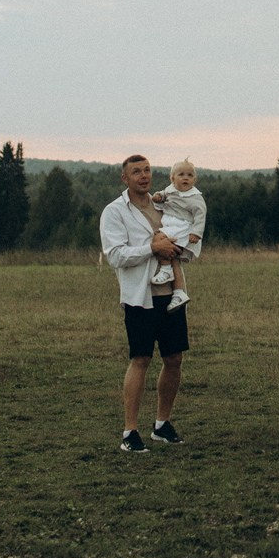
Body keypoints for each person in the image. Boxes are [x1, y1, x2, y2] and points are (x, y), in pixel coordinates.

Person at [99, 154, 190, 452]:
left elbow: (182, 237)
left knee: (174, 359)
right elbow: (115, 255)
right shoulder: (114, 212)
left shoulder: (164, 206)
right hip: (140, 297)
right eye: (136, 172)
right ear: (125, 179)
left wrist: (179, 246)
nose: (143, 175)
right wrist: (152, 248)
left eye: (147, 170)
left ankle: (162, 425)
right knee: (141, 360)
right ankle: (130, 432)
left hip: (171, 295)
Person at [150, 158, 207, 310]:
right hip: (171, 225)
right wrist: (158, 197)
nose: (185, 178)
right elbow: (163, 195)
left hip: (183, 228)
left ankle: (166, 270)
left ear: (194, 179)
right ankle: (179, 292)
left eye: (189, 175)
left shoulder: (195, 198)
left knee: (158, 239)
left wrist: (196, 232)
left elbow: (201, 215)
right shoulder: (170, 190)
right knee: (173, 257)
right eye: (181, 174)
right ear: (172, 178)